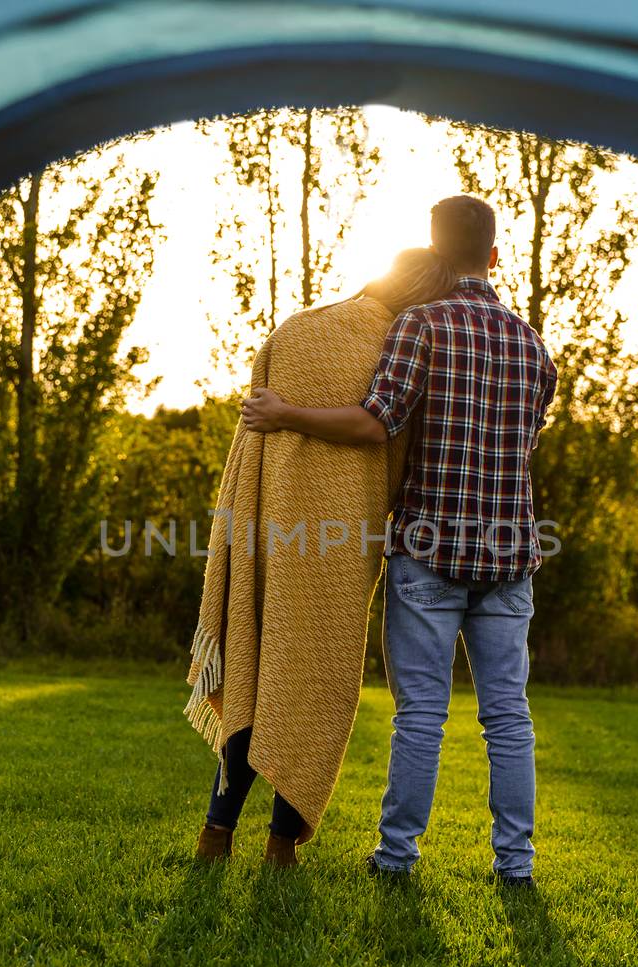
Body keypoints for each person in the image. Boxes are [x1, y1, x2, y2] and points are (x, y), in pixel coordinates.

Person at [242, 195, 557, 886]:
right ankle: (516, 864)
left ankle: (396, 855)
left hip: (428, 553)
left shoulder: (420, 324)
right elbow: (524, 445)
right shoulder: (533, 344)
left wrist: (285, 411)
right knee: (508, 715)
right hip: (508, 559)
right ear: (495, 255)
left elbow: (375, 423)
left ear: (438, 255)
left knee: (421, 713)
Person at [183, 248, 458, 867]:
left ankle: (215, 834)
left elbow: (250, 439)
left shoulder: (297, 330)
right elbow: (395, 448)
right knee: (314, 685)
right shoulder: (402, 351)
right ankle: (281, 844)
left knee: (253, 668)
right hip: (340, 543)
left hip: (265, 528)